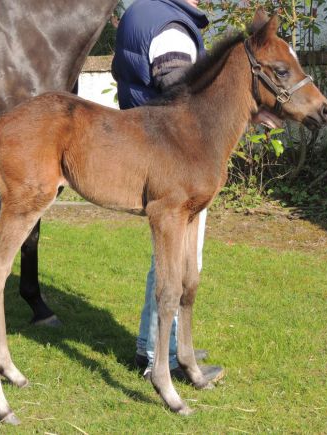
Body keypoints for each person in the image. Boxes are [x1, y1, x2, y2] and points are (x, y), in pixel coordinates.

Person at [112, 0, 224, 383]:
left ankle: (172, 342)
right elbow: (178, 96)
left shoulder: (147, 12)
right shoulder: (172, 28)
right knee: (175, 261)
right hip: (176, 160)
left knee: (173, 258)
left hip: (157, 150)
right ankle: (159, 351)